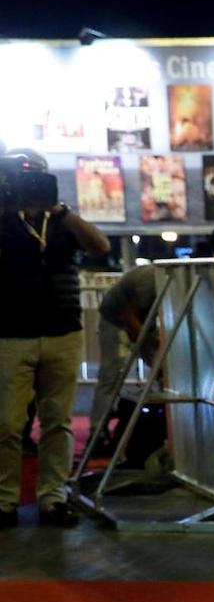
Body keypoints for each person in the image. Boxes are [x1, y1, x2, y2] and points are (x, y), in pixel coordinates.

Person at [1, 151, 112, 529]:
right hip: (11, 333)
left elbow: (100, 247)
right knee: (6, 424)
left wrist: (62, 212)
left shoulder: (62, 221)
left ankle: (53, 499)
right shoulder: (3, 220)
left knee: (57, 422)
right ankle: (4, 502)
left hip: (62, 330)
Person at [90, 264, 161, 452]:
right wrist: (149, 342)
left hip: (141, 320)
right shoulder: (151, 282)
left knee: (162, 367)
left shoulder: (162, 281)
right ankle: (98, 433)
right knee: (111, 378)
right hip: (115, 321)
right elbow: (128, 315)